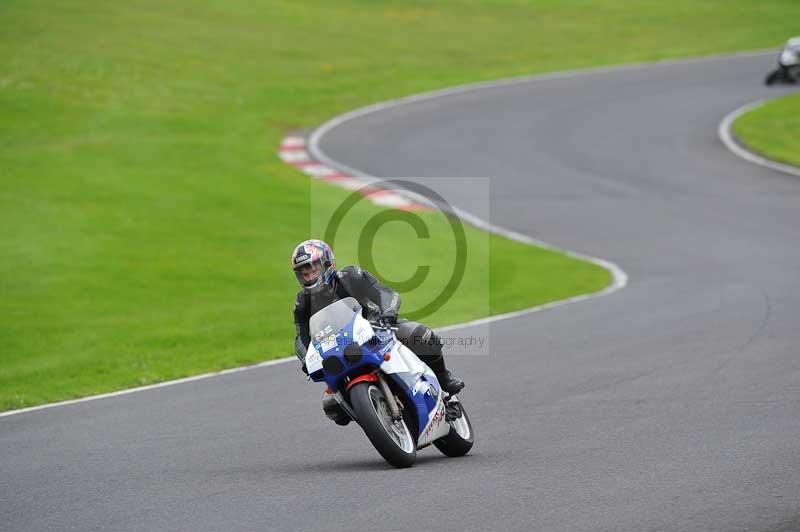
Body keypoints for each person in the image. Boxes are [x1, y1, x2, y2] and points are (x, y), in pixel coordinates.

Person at [291, 239, 465, 425]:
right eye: (304, 273)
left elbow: (385, 293)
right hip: (341, 351)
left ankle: (445, 385)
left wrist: (388, 313)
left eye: (313, 269)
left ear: (327, 263)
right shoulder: (303, 303)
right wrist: (306, 359)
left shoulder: (351, 276)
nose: (309, 276)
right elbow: (301, 338)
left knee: (422, 336)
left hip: (378, 331)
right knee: (331, 407)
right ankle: (372, 413)